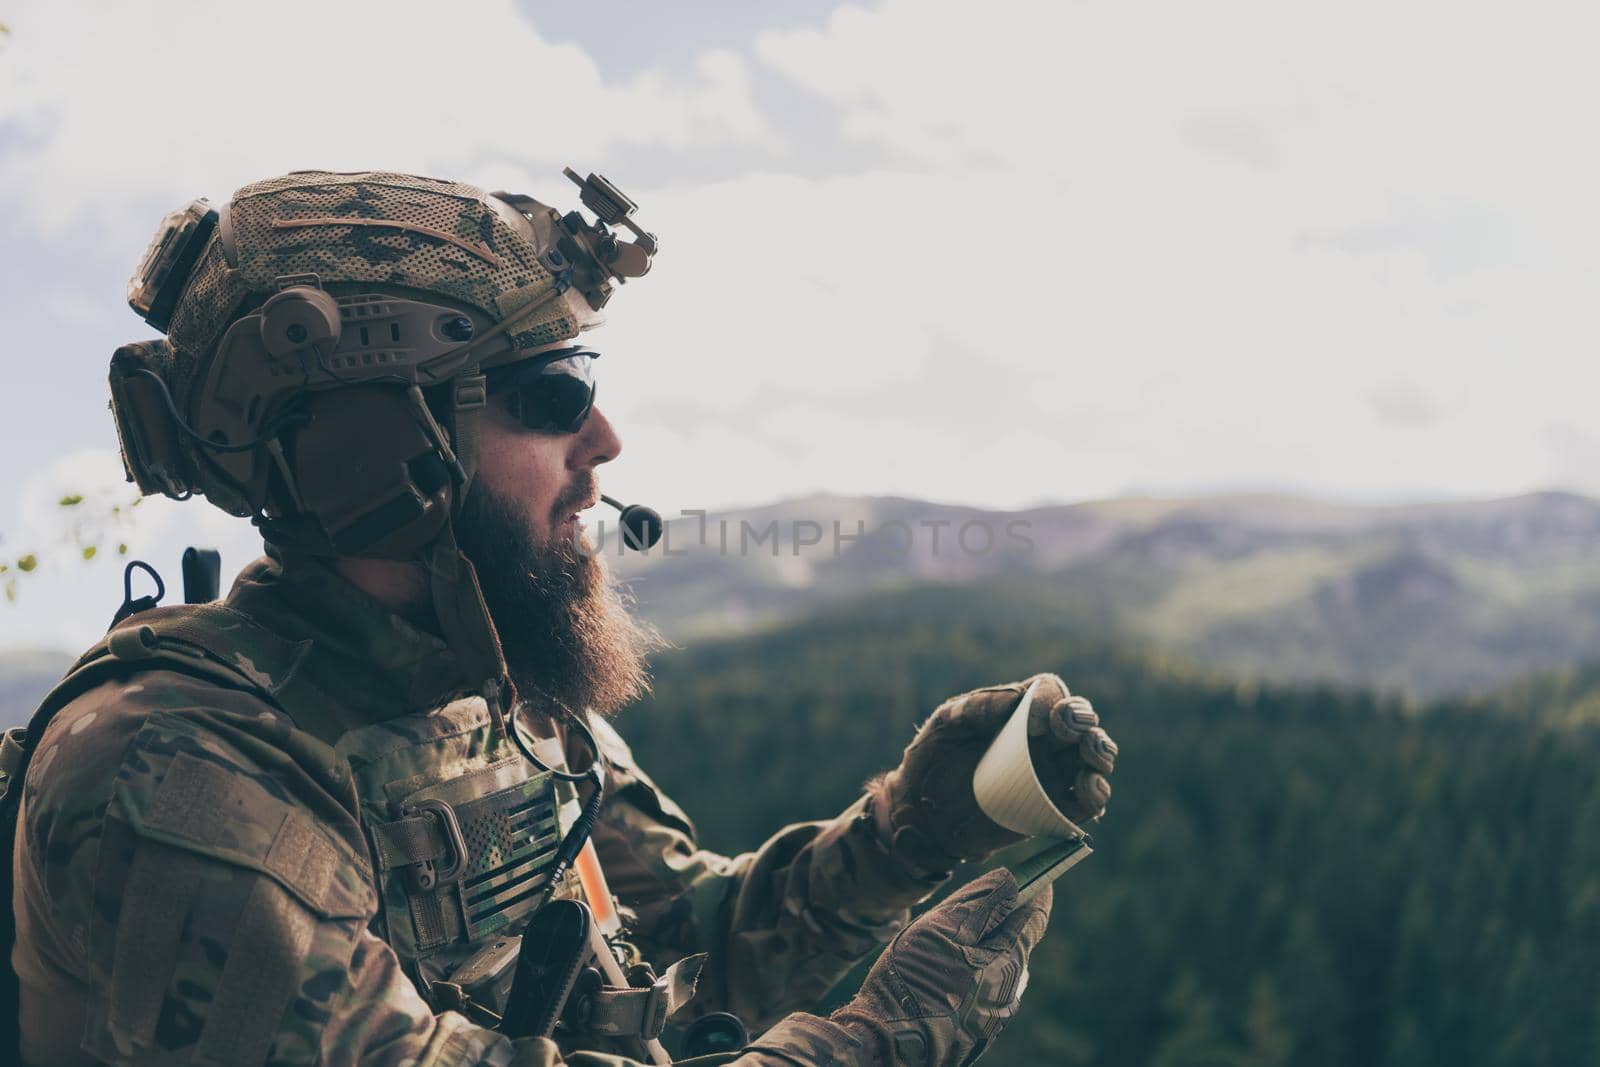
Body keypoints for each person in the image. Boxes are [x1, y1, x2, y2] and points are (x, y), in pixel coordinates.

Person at [1, 168, 1119, 1065]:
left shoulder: (505, 694)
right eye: (552, 396)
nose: (605, 444)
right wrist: (874, 1041)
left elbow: (683, 946)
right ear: (386, 451)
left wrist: (904, 834)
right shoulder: (173, 773)